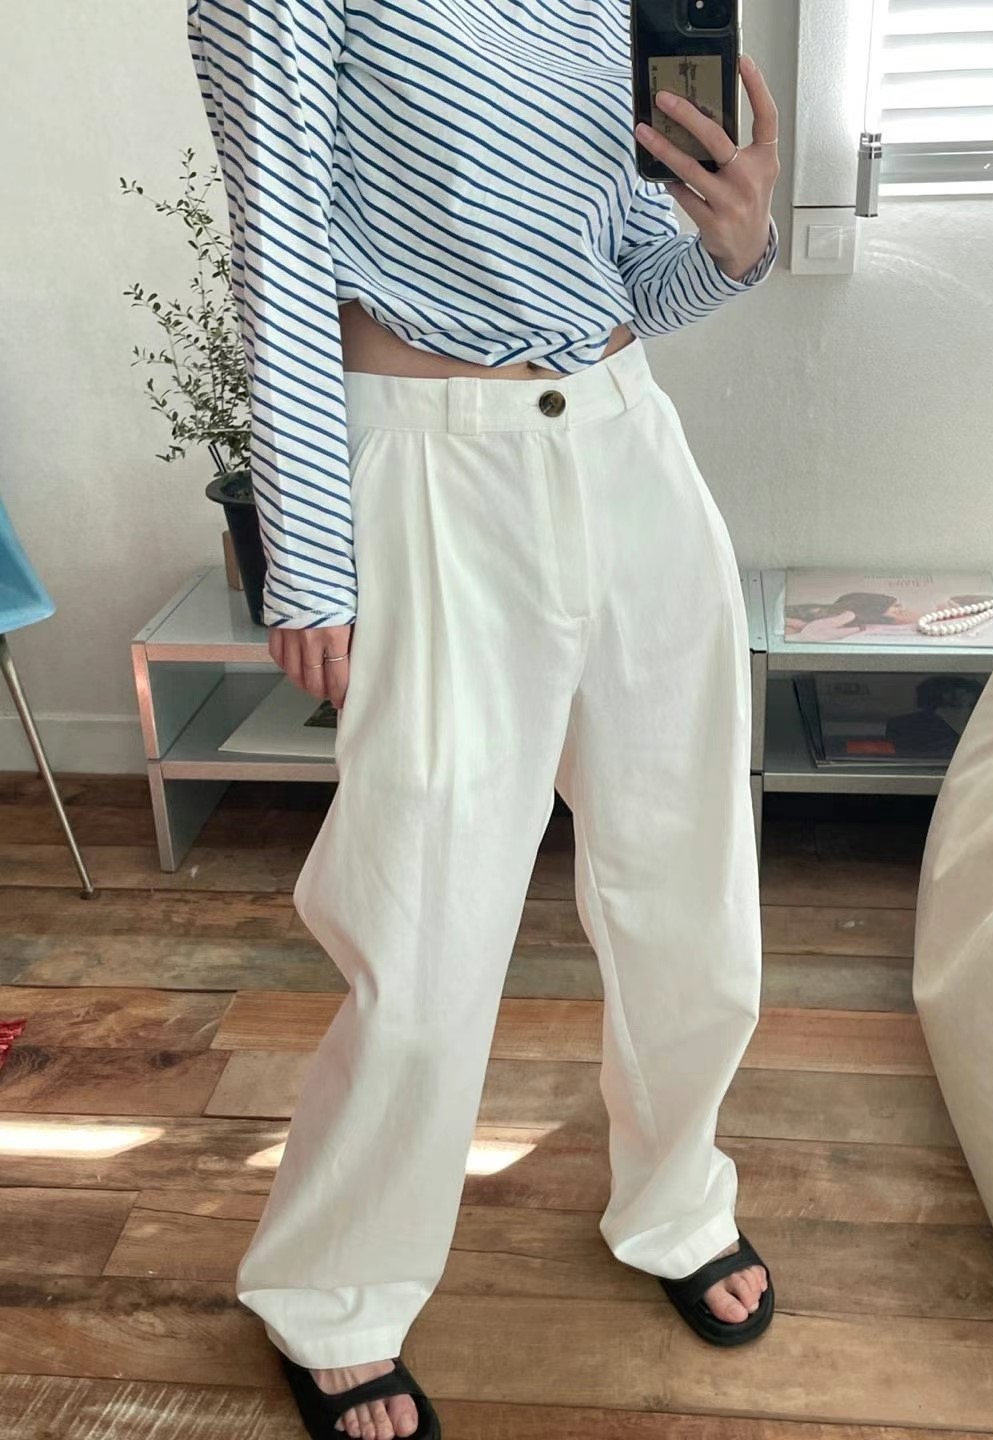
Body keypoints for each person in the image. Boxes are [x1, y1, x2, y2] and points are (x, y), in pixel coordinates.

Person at [187, 5, 781, 1437]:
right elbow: (282, 255)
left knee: (690, 885)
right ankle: (335, 1290)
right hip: (432, 472)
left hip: (631, 451)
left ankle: (676, 1198)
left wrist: (735, 242)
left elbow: (624, 272)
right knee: (421, 921)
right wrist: (308, 556)